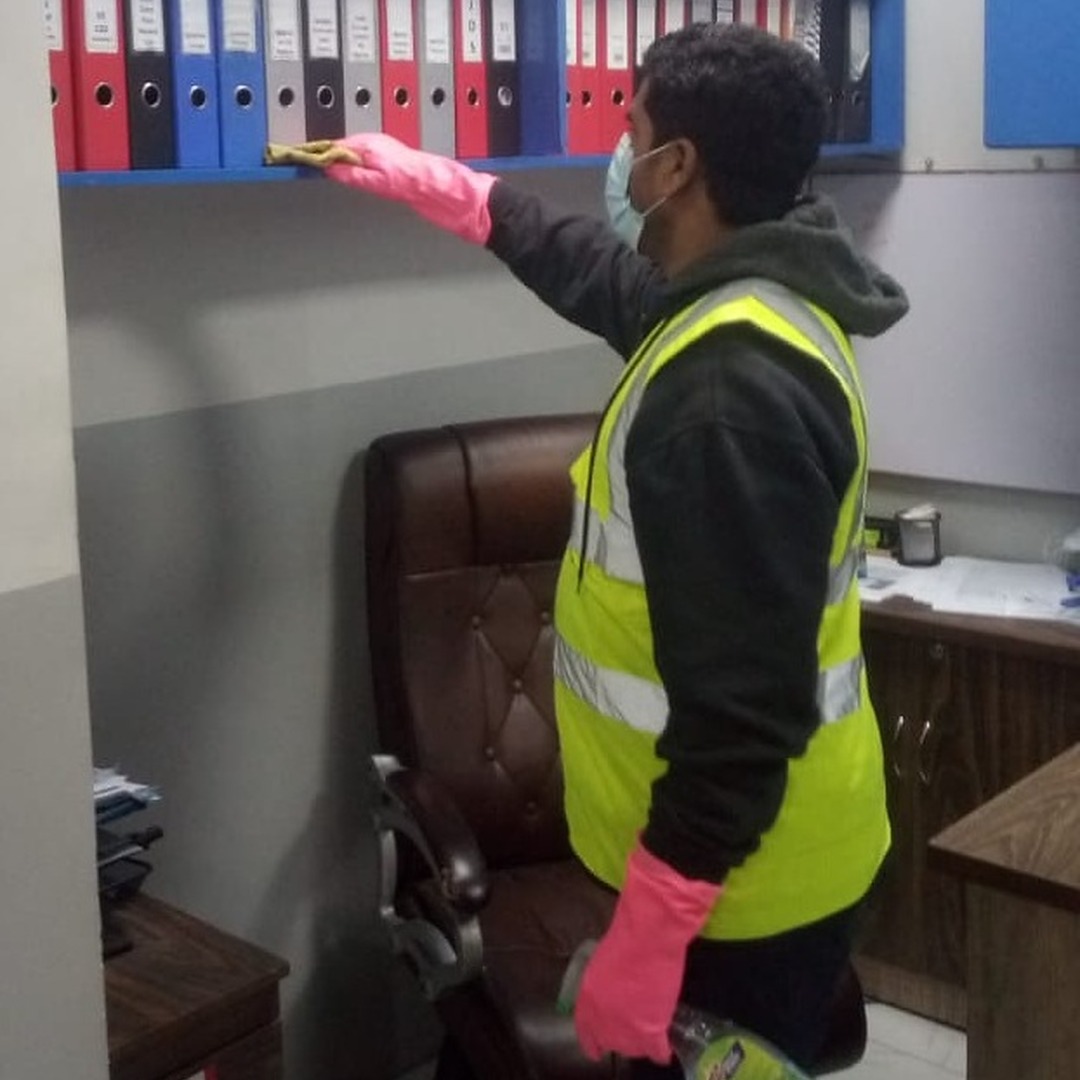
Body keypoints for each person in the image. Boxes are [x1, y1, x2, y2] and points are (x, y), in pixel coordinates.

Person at [326, 22, 908, 1077]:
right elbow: (604, 278)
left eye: (627, 125)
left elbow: (741, 717)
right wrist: (460, 193)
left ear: (675, 165)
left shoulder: (726, 397)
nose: (616, 147)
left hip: (744, 896)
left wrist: (650, 936)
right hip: (753, 861)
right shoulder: (751, 298)